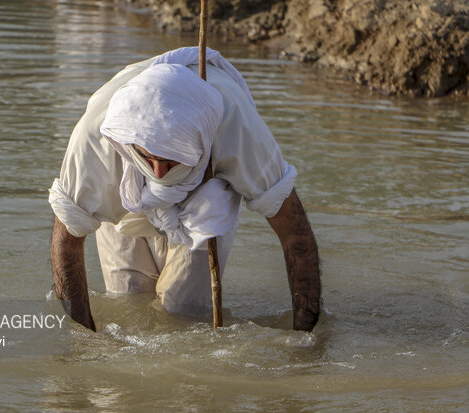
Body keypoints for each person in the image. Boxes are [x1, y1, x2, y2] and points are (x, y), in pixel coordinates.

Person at [48, 47, 321, 332]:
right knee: (128, 305)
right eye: (147, 158)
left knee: (183, 312)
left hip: (205, 200)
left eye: (170, 161)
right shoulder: (98, 138)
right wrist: (82, 342)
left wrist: (306, 336)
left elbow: (295, 234)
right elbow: (67, 241)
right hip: (126, 194)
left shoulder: (237, 130)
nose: (158, 173)